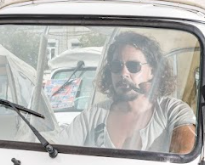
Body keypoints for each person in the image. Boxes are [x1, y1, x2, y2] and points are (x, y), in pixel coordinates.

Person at [59, 32, 195, 154]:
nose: (124, 73)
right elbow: (58, 147)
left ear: (152, 71)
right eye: (117, 66)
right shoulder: (92, 116)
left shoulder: (173, 111)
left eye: (133, 66)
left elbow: (185, 150)